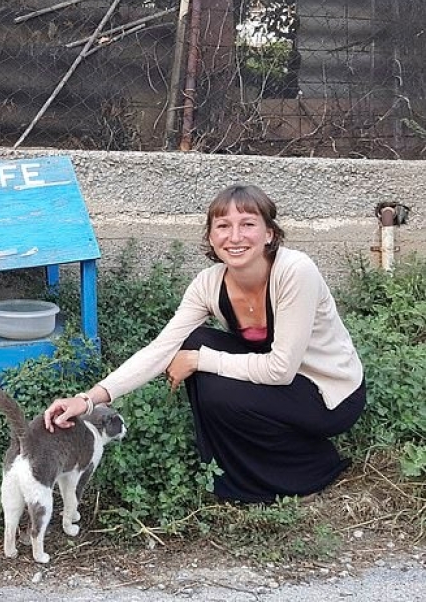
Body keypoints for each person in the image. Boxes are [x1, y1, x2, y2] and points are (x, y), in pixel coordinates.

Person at [43, 184, 367, 503]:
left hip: (329, 396)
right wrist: (86, 400)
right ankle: (235, 474)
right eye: (223, 226)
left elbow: (281, 370)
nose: (235, 236)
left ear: (269, 233)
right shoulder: (209, 284)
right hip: (279, 384)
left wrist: (199, 360)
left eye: (248, 224)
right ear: (211, 237)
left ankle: (307, 468)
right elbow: (160, 350)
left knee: (214, 379)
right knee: (193, 341)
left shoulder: (295, 271)